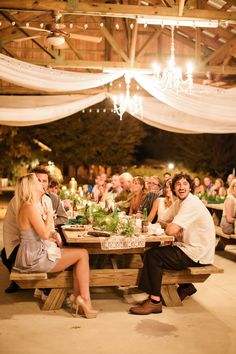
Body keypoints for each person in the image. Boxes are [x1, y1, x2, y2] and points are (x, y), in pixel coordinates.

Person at [129, 172, 215, 315]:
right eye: (178, 184)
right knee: (151, 251)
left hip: (197, 252)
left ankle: (155, 301)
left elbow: (170, 229)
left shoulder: (191, 203)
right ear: (174, 188)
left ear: (190, 187)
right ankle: (185, 286)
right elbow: (160, 221)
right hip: (187, 248)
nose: (181, 187)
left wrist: (173, 227)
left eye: (185, 184)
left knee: (153, 256)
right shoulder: (179, 203)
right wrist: (172, 226)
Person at [13, 173, 97, 318]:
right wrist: (50, 218)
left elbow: (41, 233)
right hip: (34, 257)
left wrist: (53, 233)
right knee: (82, 254)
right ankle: (84, 301)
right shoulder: (29, 207)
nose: (41, 184)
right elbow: (44, 234)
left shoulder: (29, 205)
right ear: (31, 187)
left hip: (34, 252)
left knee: (80, 255)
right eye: (37, 182)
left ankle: (79, 298)